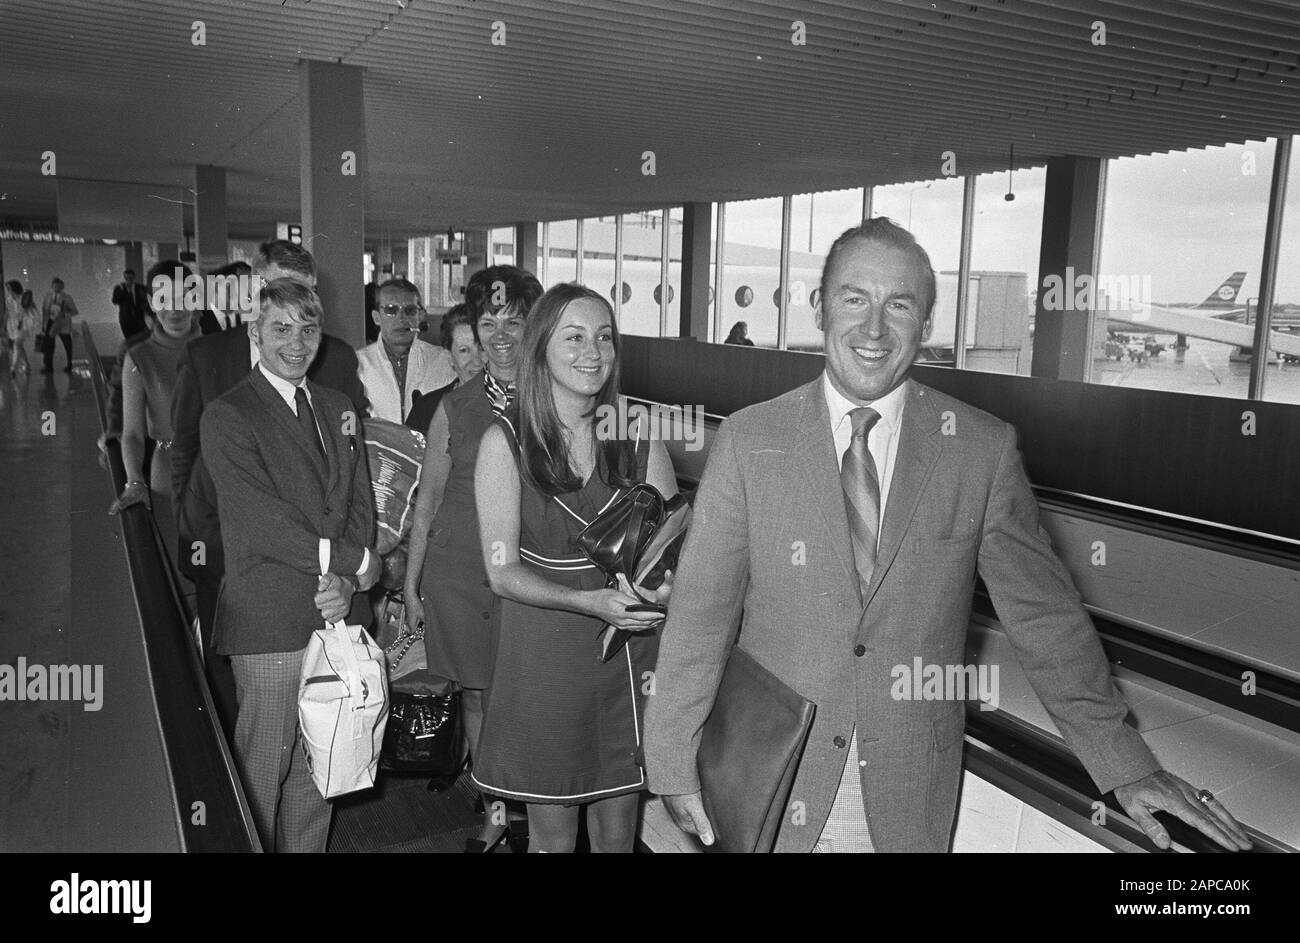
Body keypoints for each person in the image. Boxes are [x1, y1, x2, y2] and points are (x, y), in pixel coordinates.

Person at [643, 217, 1253, 854]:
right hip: (769, 772)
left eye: (899, 305)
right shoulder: (749, 440)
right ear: (820, 306)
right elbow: (700, 614)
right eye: (855, 298)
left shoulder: (979, 449)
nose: (874, 329)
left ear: (926, 323)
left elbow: (1044, 615)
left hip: (904, 786)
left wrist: (1125, 762)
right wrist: (671, 757)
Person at [471, 283, 677, 853]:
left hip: (625, 655)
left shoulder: (636, 436)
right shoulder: (504, 444)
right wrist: (587, 601)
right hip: (546, 656)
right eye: (575, 337)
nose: (593, 352)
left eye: (604, 338)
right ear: (541, 349)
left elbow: (667, 553)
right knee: (553, 837)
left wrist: (658, 590)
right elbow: (502, 571)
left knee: (618, 827)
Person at [200, 278, 381, 853]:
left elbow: (358, 502)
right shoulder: (228, 415)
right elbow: (262, 522)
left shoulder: (338, 407)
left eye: (308, 329)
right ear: (255, 333)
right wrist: (352, 562)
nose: (296, 342)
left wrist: (349, 582)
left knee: (320, 769)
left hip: (334, 615)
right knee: (262, 776)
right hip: (270, 622)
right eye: (281, 327)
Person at [171, 239, 369, 740]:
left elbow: (353, 484)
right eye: (280, 301)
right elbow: (188, 458)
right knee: (248, 720)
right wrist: (200, 544)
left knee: (325, 756)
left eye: (307, 302)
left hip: (332, 588)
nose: (296, 328)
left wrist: (350, 573)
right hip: (238, 558)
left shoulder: (338, 369)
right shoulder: (208, 357)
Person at [402, 265, 541, 851]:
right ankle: (498, 810)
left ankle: (542, 800)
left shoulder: (556, 401)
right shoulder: (453, 408)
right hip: (458, 572)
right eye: (489, 321)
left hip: (533, 574)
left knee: (532, 692)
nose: (502, 333)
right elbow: (427, 496)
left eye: (515, 320)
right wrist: (411, 583)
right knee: (479, 697)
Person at [108, 281, 202, 559]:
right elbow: (134, 433)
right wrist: (135, 482)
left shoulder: (216, 348)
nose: (174, 310)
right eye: (165, 301)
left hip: (217, 468)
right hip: (169, 472)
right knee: (181, 559)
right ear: (153, 304)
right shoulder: (139, 356)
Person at [356, 277, 457, 424]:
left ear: (420, 316)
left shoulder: (445, 361)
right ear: (376, 317)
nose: (401, 318)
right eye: (391, 310)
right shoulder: (358, 365)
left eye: (410, 310)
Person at [403, 303, 482, 433]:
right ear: (450, 356)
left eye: (482, 348)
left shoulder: (514, 406)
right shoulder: (427, 409)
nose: (477, 360)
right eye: (464, 350)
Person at [40, 277, 78, 373]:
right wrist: (44, 325)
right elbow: (44, 310)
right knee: (49, 346)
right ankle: (48, 366)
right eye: (55, 286)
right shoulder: (48, 297)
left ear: (62, 287)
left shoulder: (67, 298)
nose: (56, 288)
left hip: (62, 323)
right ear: (52, 286)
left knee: (67, 345)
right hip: (50, 323)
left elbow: (74, 311)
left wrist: (64, 313)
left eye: (59, 286)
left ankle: (70, 364)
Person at [112, 268, 150, 339]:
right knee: (129, 340)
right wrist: (123, 291)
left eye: (131, 278)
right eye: (126, 278)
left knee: (141, 340)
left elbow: (147, 299)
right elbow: (115, 301)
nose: (129, 280)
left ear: (134, 278)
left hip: (139, 319)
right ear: (124, 278)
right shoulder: (119, 288)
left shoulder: (140, 288)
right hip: (126, 319)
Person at [5, 281, 32, 377]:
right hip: (12, 325)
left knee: (17, 344)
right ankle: (27, 365)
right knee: (18, 346)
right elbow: (8, 313)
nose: (8, 291)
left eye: (9, 289)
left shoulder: (24, 298)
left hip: (23, 324)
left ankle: (13, 368)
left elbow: (29, 311)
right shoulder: (9, 300)